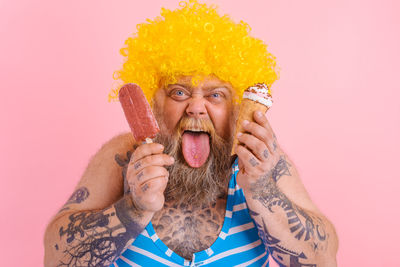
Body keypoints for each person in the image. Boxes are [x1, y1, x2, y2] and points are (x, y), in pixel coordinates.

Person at [44, 1, 338, 266]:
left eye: (216, 95)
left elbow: (323, 260)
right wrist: (134, 207)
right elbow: (56, 259)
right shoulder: (124, 157)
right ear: (154, 103)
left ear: (236, 108)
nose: (196, 108)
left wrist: (262, 190)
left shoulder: (261, 162)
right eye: (179, 92)